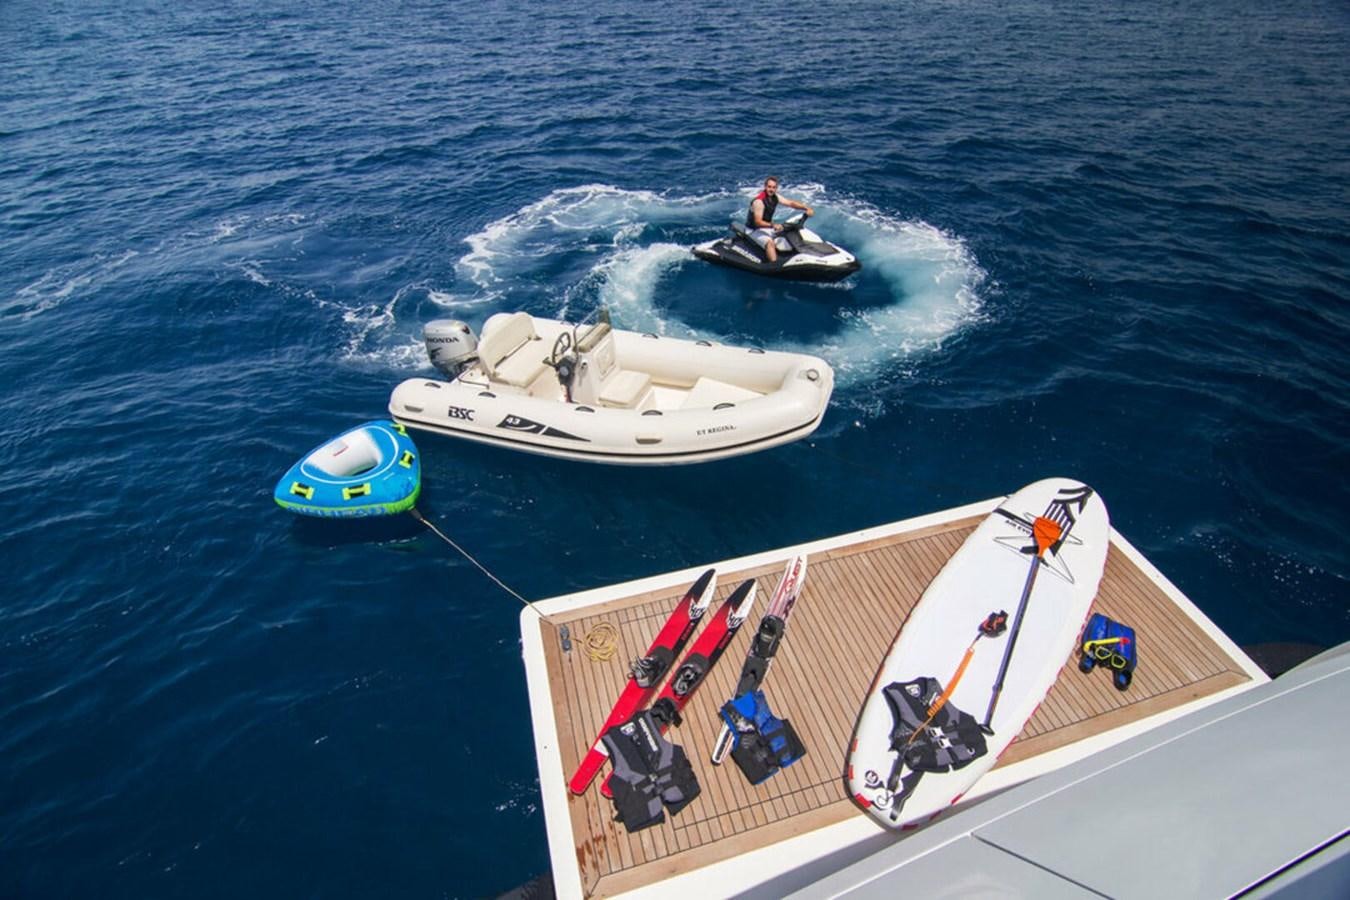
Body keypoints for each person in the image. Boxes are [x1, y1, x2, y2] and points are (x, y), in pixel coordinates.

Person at [745, 177, 814, 263]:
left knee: (787, 232)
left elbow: (790, 203)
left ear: (776, 188)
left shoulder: (775, 197)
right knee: (770, 243)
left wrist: (806, 208)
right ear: (765, 187)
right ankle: (773, 264)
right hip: (753, 229)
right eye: (769, 187)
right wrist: (773, 225)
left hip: (766, 227)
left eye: (774, 187)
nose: (771, 189)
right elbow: (757, 222)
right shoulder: (759, 202)